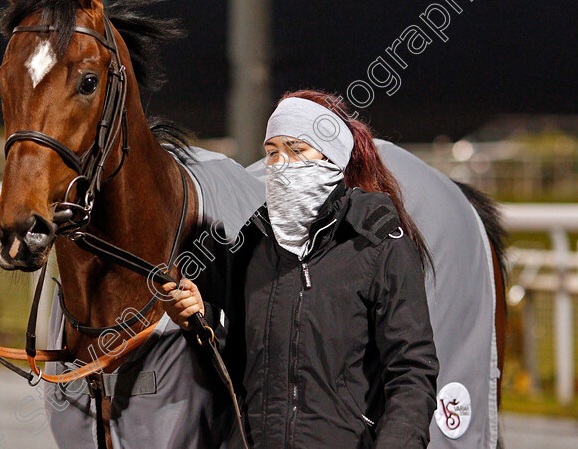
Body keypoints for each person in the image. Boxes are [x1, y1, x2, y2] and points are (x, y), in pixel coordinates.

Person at [161, 90, 439, 448]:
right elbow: (243, 364)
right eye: (273, 153)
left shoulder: (378, 241)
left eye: (296, 150)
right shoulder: (253, 243)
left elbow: (412, 372)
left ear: (332, 158)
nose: (281, 165)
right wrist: (206, 319)